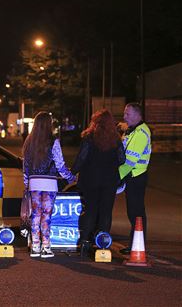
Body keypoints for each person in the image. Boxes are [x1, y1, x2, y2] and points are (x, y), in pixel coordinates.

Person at [71, 109, 125, 258]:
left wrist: (71, 173)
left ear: (95, 122)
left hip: (90, 180)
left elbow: (81, 159)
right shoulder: (116, 139)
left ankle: (84, 243)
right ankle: (102, 244)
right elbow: (122, 159)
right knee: (106, 213)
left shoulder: (89, 137)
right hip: (109, 181)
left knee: (90, 211)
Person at [22, 111, 75, 258]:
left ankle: (35, 246)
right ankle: (46, 247)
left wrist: (26, 183)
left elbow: (25, 166)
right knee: (46, 215)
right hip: (50, 183)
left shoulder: (29, 142)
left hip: (34, 182)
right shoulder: (54, 141)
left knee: (35, 215)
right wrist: (70, 177)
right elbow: (60, 165)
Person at [118, 103, 152, 255]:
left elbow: (129, 162)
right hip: (133, 176)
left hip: (136, 177)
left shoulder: (140, 133)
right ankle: (135, 244)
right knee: (133, 211)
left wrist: (114, 177)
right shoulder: (133, 131)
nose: (124, 117)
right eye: (124, 114)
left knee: (136, 212)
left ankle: (138, 245)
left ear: (138, 115)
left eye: (128, 114)